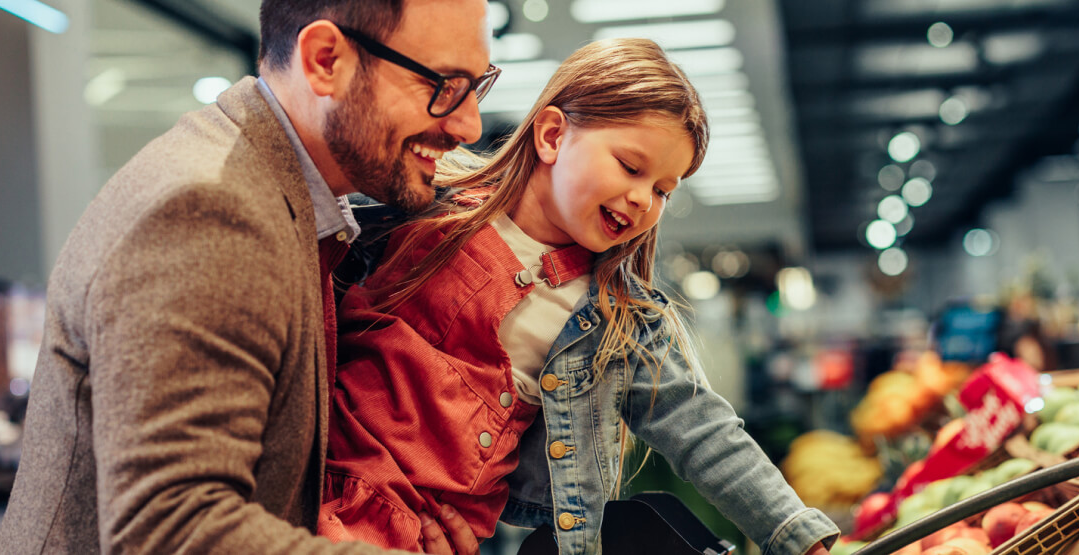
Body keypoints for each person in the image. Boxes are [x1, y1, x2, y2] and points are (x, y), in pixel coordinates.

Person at [0, 0, 495, 552]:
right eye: (445, 85)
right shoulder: (213, 210)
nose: (468, 124)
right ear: (325, 59)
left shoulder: (275, 195)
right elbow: (169, 531)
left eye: (478, 85)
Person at [322, 39, 840, 555]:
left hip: (426, 536)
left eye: (663, 189)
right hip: (312, 492)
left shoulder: (621, 321)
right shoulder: (428, 208)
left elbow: (703, 430)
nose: (643, 199)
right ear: (551, 136)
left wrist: (799, 536)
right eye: (630, 166)